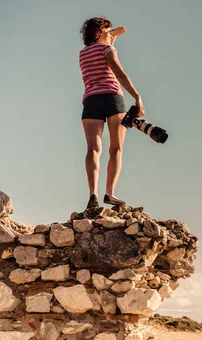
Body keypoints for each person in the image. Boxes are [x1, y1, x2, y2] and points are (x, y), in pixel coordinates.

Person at [79, 17, 145, 209]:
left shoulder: (83, 54)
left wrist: (112, 35)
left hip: (91, 100)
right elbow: (119, 73)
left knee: (93, 149)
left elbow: (102, 46)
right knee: (115, 149)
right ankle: (110, 193)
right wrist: (137, 96)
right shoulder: (108, 49)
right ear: (100, 31)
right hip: (113, 98)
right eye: (108, 30)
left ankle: (93, 194)